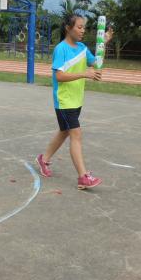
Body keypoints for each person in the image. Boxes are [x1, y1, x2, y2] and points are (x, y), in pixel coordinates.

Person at [36, 14, 113, 190]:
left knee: (64, 132)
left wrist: (103, 43)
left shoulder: (82, 48)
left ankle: (43, 159)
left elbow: (96, 63)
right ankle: (83, 177)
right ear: (68, 28)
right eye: (79, 27)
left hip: (77, 99)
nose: (83, 30)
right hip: (64, 100)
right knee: (76, 134)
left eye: (83, 27)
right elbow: (59, 76)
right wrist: (84, 73)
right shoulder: (61, 49)